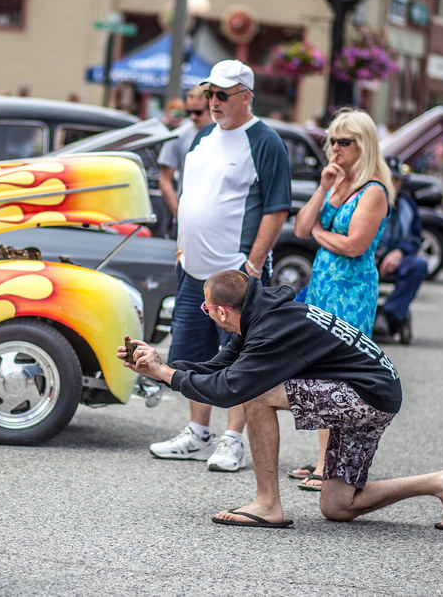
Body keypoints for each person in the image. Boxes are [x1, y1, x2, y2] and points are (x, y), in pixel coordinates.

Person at [120, 270, 443, 530]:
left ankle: (267, 504)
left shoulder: (269, 330)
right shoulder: (258, 315)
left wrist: (165, 375)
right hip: (376, 392)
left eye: (206, 309)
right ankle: (439, 482)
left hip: (367, 395)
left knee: (257, 395)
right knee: (337, 506)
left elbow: (228, 389)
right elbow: (215, 368)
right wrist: (160, 365)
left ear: (220, 311)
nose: (207, 314)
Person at [149, 60, 291, 472]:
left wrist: (253, 264)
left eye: (222, 95)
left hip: (236, 274)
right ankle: (197, 433)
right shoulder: (203, 137)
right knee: (192, 355)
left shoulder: (264, 140)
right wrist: (180, 248)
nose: (213, 102)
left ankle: (232, 440)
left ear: (246, 95)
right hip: (193, 271)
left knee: (240, 359)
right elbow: (190, 196)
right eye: (210, 93)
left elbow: (277, 208)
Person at [288, 108, 393, 490]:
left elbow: (353, 246)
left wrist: (318, 233)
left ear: (363, 145)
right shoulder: (336, 183)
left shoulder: (375, 190)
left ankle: (326, 466)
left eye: (344, 142)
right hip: (322, 289)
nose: (335, 148)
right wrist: (322, 187)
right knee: (317, 370)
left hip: (351, 292)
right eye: (332, 140)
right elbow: (301, 227)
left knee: (336, 374)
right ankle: (322, 460)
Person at [373, 157, 429, 339]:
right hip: (370, 256)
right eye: (392, 179)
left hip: (397, 257)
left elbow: (415, 238)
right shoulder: (370, 199)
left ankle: (388, 314)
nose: (395, 184)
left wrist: (399, 253)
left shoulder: (408, 205)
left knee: (419, 266)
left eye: (398, 180)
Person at [158, 85, 212, 227]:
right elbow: (164, 179)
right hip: (188, 216)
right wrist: (178, 213)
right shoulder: (180, 135)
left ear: (211, 108)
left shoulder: (225, 134)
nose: (193, 117)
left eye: (198, 112)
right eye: (189, 112)